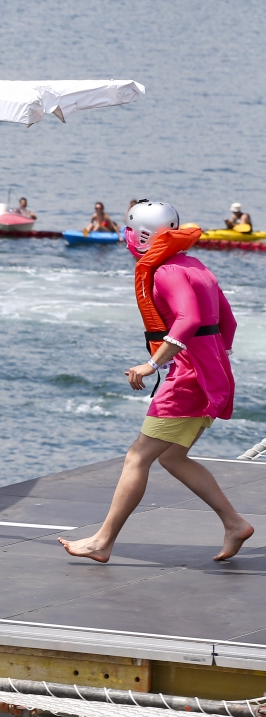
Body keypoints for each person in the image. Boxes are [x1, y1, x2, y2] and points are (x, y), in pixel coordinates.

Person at [58, 202, 252, 563]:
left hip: (189, 380)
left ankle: (102, 541)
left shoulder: (164, 272)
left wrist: (153, 363)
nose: (126, 239)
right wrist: (208, 360)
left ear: (141, 235)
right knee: (174, 458)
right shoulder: (194, 266)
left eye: (128, 232)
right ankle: (234, 523)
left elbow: (189, 317)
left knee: (136, 458)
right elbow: (229, 325)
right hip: (211, 374)